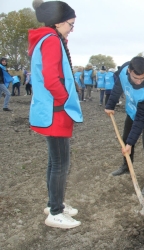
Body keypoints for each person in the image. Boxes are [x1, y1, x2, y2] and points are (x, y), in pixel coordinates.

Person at [29, 0, 83, 229]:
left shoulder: (49, 38)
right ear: (59, 23)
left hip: (51, 110)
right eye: (71, 24)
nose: (72, 29)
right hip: (56, 112)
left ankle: (55, 202)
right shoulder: (51, 41)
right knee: (61, 163)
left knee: (55, 161)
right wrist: (66, 102)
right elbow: (51, 79)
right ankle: (55, 213)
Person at [105, 56, 144, 197]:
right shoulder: (123, 73)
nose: (139, 82)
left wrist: (131, 143)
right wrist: (110, 105)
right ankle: (126, 166)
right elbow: (117, 88)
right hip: (133, 108)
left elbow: (141, 118)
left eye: (142, 78)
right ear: (129, 71)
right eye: (135, 78)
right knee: (126, 137)